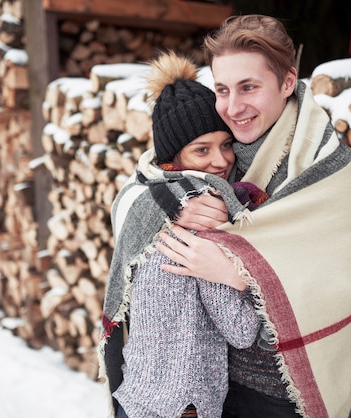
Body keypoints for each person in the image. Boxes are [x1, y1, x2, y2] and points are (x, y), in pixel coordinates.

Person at [151, 15, 351, 418]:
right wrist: (174, 200)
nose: (233, 107)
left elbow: (340, 282)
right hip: (213, 385)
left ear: (288, 82)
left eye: (249, 87)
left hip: (285, 394)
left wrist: (243, 272)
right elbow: (139, 185)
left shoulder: (329, 168)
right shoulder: (217, 146)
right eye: (222, 89)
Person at [100, 51, 268, 418]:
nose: (222, 161)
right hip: (184, 407)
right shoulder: (200, 223)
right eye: (201, 150)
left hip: (137, 394)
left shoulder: (154, 207)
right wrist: (257, 278)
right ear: (172, 159)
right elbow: (241, 329)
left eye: (226, 144)